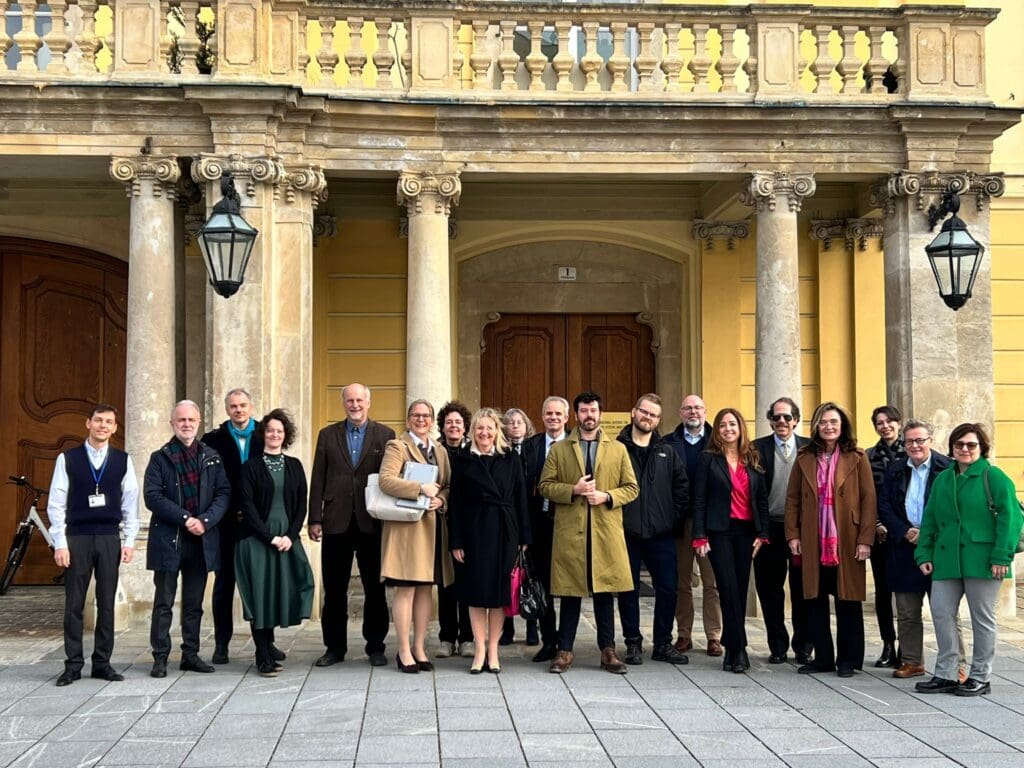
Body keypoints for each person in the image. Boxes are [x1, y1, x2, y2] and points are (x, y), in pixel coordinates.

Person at [914, 423, 1023, 697]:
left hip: (984, 560)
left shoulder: (994, 477)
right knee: (941, 613)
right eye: (959, 444)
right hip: (947, 559)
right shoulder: (943, 479)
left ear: (981, 448)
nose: (964, 449)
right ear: (951, 448)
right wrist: (924, 553)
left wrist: (1001, 556)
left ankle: (980, 677)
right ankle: (947, 673)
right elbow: (930, 521)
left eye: (971, 445)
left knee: (981, 619)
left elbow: (1011, 520)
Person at [539, 391, 639, 674]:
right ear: (576, 415)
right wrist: (574, 490)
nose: (588, 415)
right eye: (583, 411)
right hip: (572, 532)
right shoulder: (559, 449)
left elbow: (632, 488)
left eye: (593, 410)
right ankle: (564, 650)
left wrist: (607, 496)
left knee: (604, 592)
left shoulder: (618, 449)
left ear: (600, 414)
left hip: (604, 530)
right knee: (570, 593)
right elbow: (545, 485)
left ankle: (608, 650)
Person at [48, 404, 139, 686]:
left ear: (114, 428)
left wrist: (129, 540)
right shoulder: (69, 459)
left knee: (107, 603)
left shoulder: (123, 460)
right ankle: (73, 664)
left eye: (109, 422)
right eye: (98, 420)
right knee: (74, 604)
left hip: (110, 537)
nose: (102, 426)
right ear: (88, 423)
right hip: (78, 537)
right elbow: (56, 502)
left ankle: (102, 663)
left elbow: (130, 503)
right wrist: (60, 543)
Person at [785, 402, 876, 678]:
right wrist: (793, 535)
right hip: (813, 539)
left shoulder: (857, 457)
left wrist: (865, 539)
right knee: (814, 599)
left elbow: (868, 499)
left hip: (847, 539)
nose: (828, 427)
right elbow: (792, 499)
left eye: (833, 422)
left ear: (842, 425)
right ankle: (823, 657)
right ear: (815, 426)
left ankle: (848, 660)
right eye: (823, 422)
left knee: (847, 599)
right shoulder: (804, 456)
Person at [308, 383, 394, 667]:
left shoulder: (386, 435)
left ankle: (376, 646)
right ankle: (334, 648)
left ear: (369, 402)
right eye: (349, 401)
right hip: (336, 521)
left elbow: (392, 477)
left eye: (359, 400)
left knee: (374, 589)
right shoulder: (327, 435)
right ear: (343, 403)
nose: (355, 405)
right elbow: (318, 478)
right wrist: (315, 518)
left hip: (372, 522)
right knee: (334, 590)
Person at [144, 400, 231, 678]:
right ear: (172, 423)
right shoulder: (160, 457)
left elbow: (223, 493)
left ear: (199, 423)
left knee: (194, 604)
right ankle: (160, 657)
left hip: (201, 541)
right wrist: (186, 519)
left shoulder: (211, 456)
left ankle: (190, 655)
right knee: (164, 603)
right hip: (169, 539)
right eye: (181, 420)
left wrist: (204, 521)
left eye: (191, 420)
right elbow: (153, 496)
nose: (186, 424)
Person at [876, 419, 965, 681]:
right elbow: (884, 506)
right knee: (906, 611)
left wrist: (928, 534)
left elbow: (954, 508)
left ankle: (956, 665)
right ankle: (912, 661)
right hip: (904, 547)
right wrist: (904, 531)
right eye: (909, 441)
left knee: (945, 610)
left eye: (920, 440)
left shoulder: (947, 468)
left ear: (930, 440)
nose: (914, 446)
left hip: (939, 547)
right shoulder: (894, 469)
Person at [449, 408, 531, 673]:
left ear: (497, 431)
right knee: (475, 593)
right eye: (479, 428)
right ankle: (479, 648)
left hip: (504, 531)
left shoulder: (510, 458)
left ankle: (493, 650)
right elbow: (456, 503)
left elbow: (521, 499)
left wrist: (523, 537)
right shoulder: (463, 459)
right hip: (473, 532)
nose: (484, 433)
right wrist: (456, 540)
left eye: (489, 428)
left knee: (498, 594)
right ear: (472, 431)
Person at [237, 409, 314, 676]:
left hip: (286, 539)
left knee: (283, 589)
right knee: (260, 595)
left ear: (286, 435)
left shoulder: (295, 465)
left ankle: (269, 644)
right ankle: (262, 654)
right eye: (270, 430)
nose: (274, 435)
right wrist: (270, 537)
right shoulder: (250, 467)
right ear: (263, 434)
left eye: (279, 431)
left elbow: (301, 505)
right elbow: (247, 507)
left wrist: (290, 537)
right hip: (257, 539)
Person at [692, 408, 769, 673]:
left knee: (739, 586)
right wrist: (699, 536)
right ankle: (739, 649)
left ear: (740, 427)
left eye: (732, 424)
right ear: (717, 430)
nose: (727, 429)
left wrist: (763, 533)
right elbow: (699, 499)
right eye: (722, 425)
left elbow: (761, 499)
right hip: (719, 532)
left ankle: (732, 643)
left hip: (747, 532)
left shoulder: (753, 458)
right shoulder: (707, 459)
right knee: (727, 588)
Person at [379, 399, 453, 673]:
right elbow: (387, 480)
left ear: (433, 421)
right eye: (416, 415)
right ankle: (403, 650)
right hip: (407, 532)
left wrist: (441, 500)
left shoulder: (441, 450)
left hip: (433, 530)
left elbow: (447, 485)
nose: (421, 420)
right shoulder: (397, 446)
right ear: (408, 419)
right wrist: (420, 488)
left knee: (425, 589)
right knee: (406, 589)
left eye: (426, 416)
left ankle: (420, 647)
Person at [615, 394, 690, 665]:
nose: (648, 418)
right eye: (644, 412)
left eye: (654, 415)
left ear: (658, 420)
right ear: (633, 412)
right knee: (628, 590)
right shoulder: (616, 449)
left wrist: (671, 519)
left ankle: (662, 643)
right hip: (626, 533)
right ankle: (633, 643)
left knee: (668, 588)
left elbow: (682, 489)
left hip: (661, 535)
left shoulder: (667, 451)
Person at [200, 388, 265, 665]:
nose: (239, 410)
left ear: (251, 407)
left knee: (259, 586)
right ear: (227, 410)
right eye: (233, 406)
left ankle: (265, 645)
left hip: (257, 523)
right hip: (224, 523)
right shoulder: (212, 440)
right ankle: (221, 644)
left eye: (243, 405)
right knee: (224, 585)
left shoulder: (267, 433)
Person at [752, 397, 812, 665]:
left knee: (802, 589)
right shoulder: (756, 448)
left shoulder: (809, 448)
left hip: (802, 530)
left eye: (787, 417)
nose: (781, 422)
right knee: (770, 590)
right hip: (769, 529)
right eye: (776, 418)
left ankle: (803, 646)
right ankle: (777, 646)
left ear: (796, 420)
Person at [664, 394, 723, 657]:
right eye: (687, 408)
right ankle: (684, 635)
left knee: (713, 583)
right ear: (680, 412)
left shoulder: (719, 443)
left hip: (709, 525)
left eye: (698, 407)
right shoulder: (667, 444)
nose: (693, 412)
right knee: (681, 582)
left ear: (705, 411)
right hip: (678, 522)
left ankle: (714, 636)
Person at [522, 396, 570, 663]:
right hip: (540, 524)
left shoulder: (578, 442)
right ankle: (549, 640)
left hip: (570, 526)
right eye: (548, 413)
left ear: (566, 417)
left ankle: (566, 640)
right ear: (542, 417)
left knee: (569, 586)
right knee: (542, 584)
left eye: (558, 414)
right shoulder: (531, 447)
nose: (553, 417)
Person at [866, 404, 904, 668]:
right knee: (882, 591)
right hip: (880, 534)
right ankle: (888, 644)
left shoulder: (912, 452)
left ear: (898, 423)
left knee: (906, 592)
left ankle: (908, 647)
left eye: (889, 421)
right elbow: (867, 496)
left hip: (907, 534)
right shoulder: (868, 457)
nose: (885, 426)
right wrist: (878, 524)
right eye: (880, 422)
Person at [435, 400, 473, 658]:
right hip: (441, 525)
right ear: (443, 426)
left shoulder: (473, 452)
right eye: (449, 422)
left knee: (468, 581)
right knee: (446, 583)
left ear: (465, 426)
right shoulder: (434, 451)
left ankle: (468, 638)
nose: (454, 426)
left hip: (470, 527)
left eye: (458, 422)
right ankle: (447, 637)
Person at [500, 406, 537, 647]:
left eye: (519, 422)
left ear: (526, 425)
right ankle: (508, 628)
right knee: (507, 574)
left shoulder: (534, 449)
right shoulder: (500, 452)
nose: (514, 425)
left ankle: (532, 624)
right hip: (506, 519)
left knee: (529, 575)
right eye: (509, 422)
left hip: (532, 517)